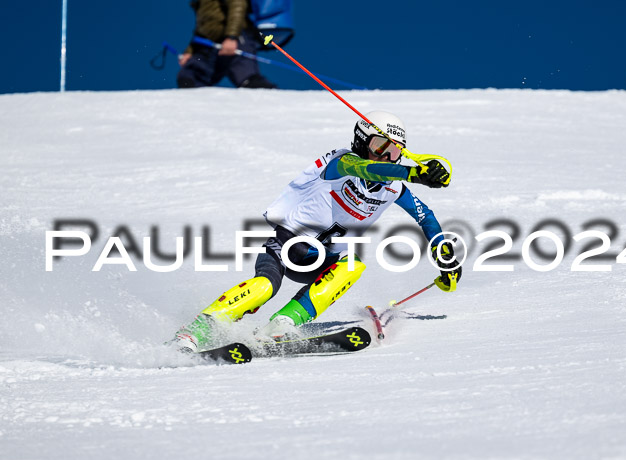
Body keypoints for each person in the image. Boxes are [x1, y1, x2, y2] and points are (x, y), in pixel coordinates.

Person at [173, 111, 461, 352]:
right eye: (379, 146)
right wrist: (412, 172)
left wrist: (442, 250)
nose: (387, 156)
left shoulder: (393, 187)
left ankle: (281, 325)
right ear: (362, 141)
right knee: (264, 287)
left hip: (324, 260)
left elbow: (426, 216)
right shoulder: (344, 162)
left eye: (395, 150)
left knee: (353, 265)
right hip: (287, 246)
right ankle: (194, 332)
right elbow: (366, 168)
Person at [177, 0, 277, 89]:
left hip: (236, 40)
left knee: (248, 81)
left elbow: (237, 5)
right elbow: (202, 29)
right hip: (210, 46)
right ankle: (199, 108)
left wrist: (232, 37)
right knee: (188, 78)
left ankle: (280, 103)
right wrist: (189, 51)